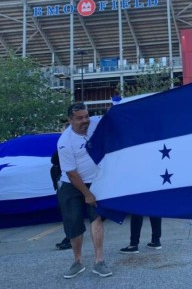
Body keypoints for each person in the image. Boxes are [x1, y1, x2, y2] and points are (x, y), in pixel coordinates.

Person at [57, 103, 112, 279]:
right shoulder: (65, 142)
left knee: (96, 219)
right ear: (70, 120)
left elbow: (112, 119)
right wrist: (87, 195)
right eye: (80, 118)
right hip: (72, 185)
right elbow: (72, 174)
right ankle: (78, 261)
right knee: (73, 222)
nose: (85, 121)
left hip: (95, 181)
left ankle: (99, 261)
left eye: (86, 116)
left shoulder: (94, 123)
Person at [49, 150, 71, 250]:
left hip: (68, 194)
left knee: (69, 216)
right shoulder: (55, 169)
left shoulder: (56, 169)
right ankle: (70, 237)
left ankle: (70, 238)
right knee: (69, 217)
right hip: (66, 194)